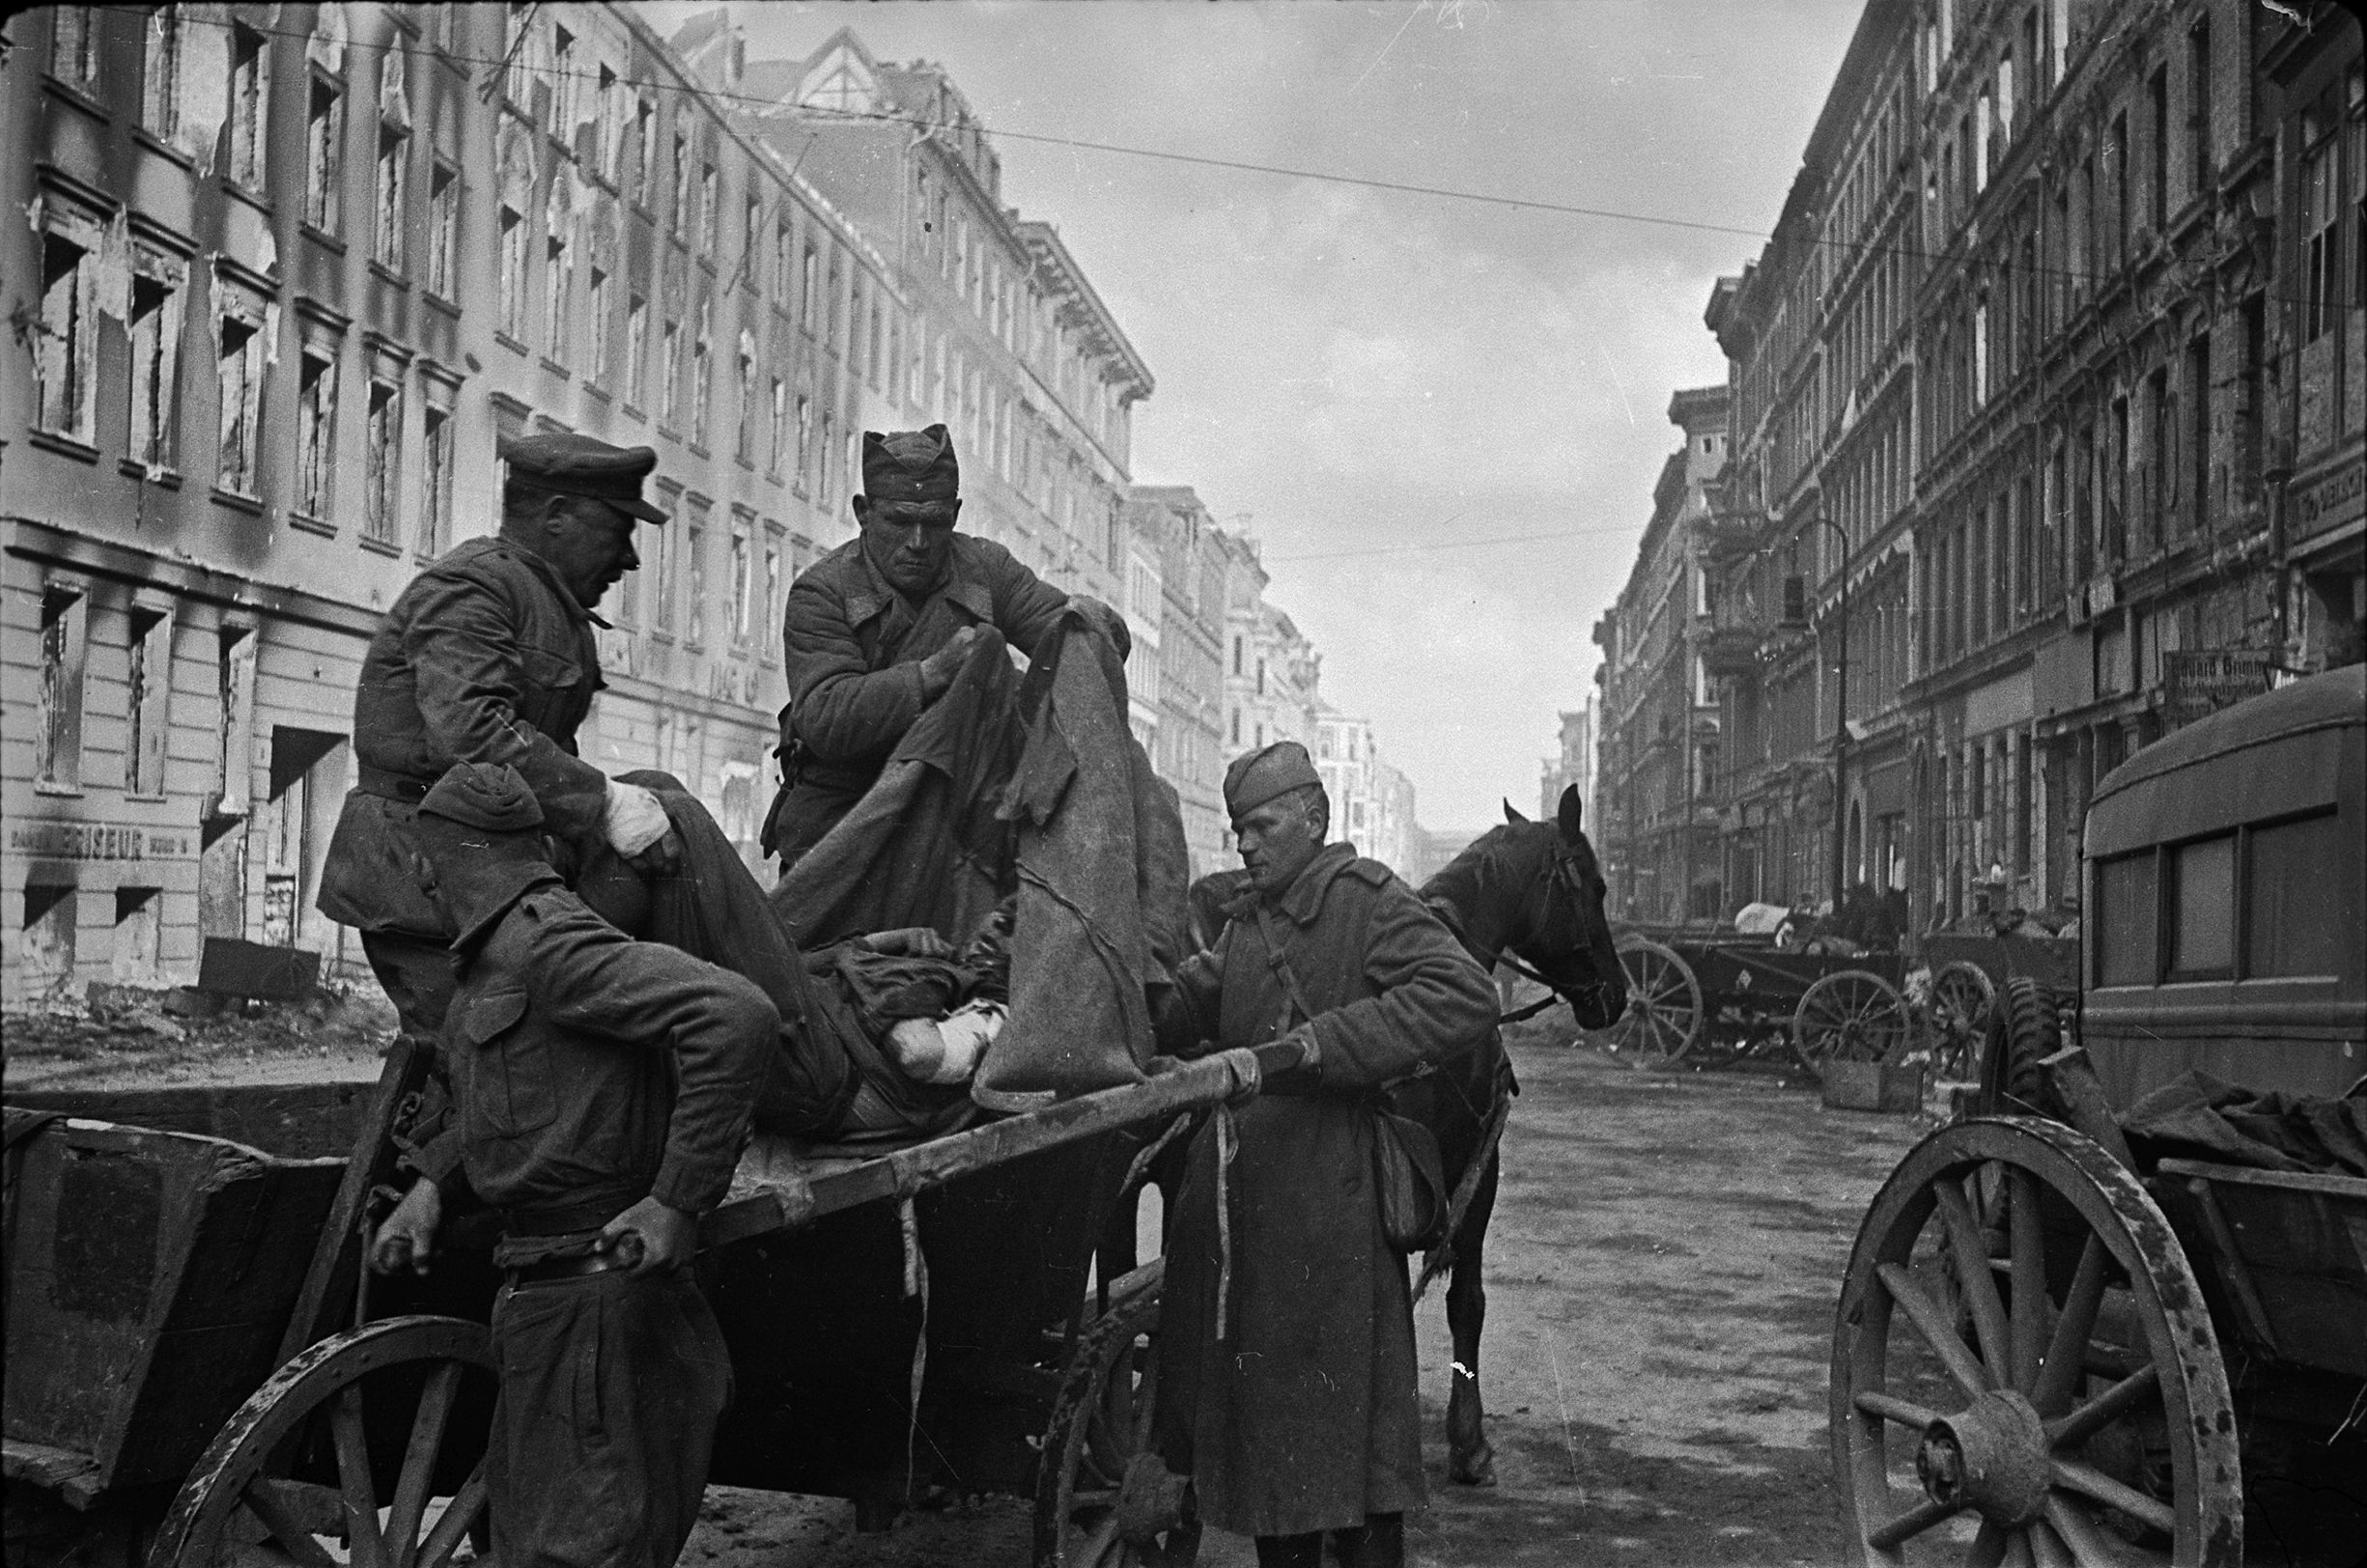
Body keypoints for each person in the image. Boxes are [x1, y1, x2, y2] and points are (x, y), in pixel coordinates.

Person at [371, 762, 774, 1568]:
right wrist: (428, 1185)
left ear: (442, 859)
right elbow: (488, 1093)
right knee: (528, 1545)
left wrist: (675, 1201)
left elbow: (736, 1014)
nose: (415, 877)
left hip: (598, 1300)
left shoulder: (548, 943)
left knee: (579, 1552)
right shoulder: (489, 959)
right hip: (547, 1304)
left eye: (419, 859)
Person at [1151, 742, 1498, 1568]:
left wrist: (1318, 1047)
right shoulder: (1247, 917)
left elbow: (1464, 995)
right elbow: (1198, 997)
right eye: (1238, 831)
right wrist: (1136, 996)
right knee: (1275, 1454)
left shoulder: (1367, 901)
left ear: (1314, 818)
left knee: (1353, 1443)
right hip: (1245, 1209)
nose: (1245, 845)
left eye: (1261, 826)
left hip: (1331, 1208)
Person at [320, 433, 680, 1040]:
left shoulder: (544, 600)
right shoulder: (474, 588)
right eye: (618, 529)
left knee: (522, 1075)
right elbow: (472, 734)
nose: (630, 558)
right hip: (426, 882)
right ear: (557, 515)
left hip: (485, 876)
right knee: (488, 1074)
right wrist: (605, 803)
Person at [766, 423, 1129, 865]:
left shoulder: (985, 569)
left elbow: (1066, 635)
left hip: (958, 820)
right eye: (900, 520)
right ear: (864, 512)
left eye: (934, 522)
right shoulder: (822, 592)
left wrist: (1089, 624)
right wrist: (932, 674)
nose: (918, 542)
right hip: (845, 818)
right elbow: (827, 716)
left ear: (954, 513)